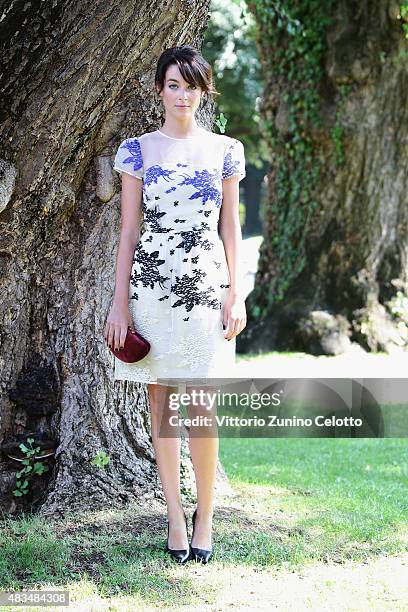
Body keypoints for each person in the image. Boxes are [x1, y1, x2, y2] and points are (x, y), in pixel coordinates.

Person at [105, 45, 247, 564]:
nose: (180, 94)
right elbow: (127, 232)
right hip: (152, 292)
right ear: (159, 89)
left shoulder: (226, 150)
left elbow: (230, 228)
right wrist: (119, 305)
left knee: (203, 407)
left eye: (189, 85)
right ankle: (173, 517)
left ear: (202, 91)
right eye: (172, 84)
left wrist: (237, 293)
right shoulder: (137, 151)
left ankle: (205, 515)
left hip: (208, 292)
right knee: (162, 406)